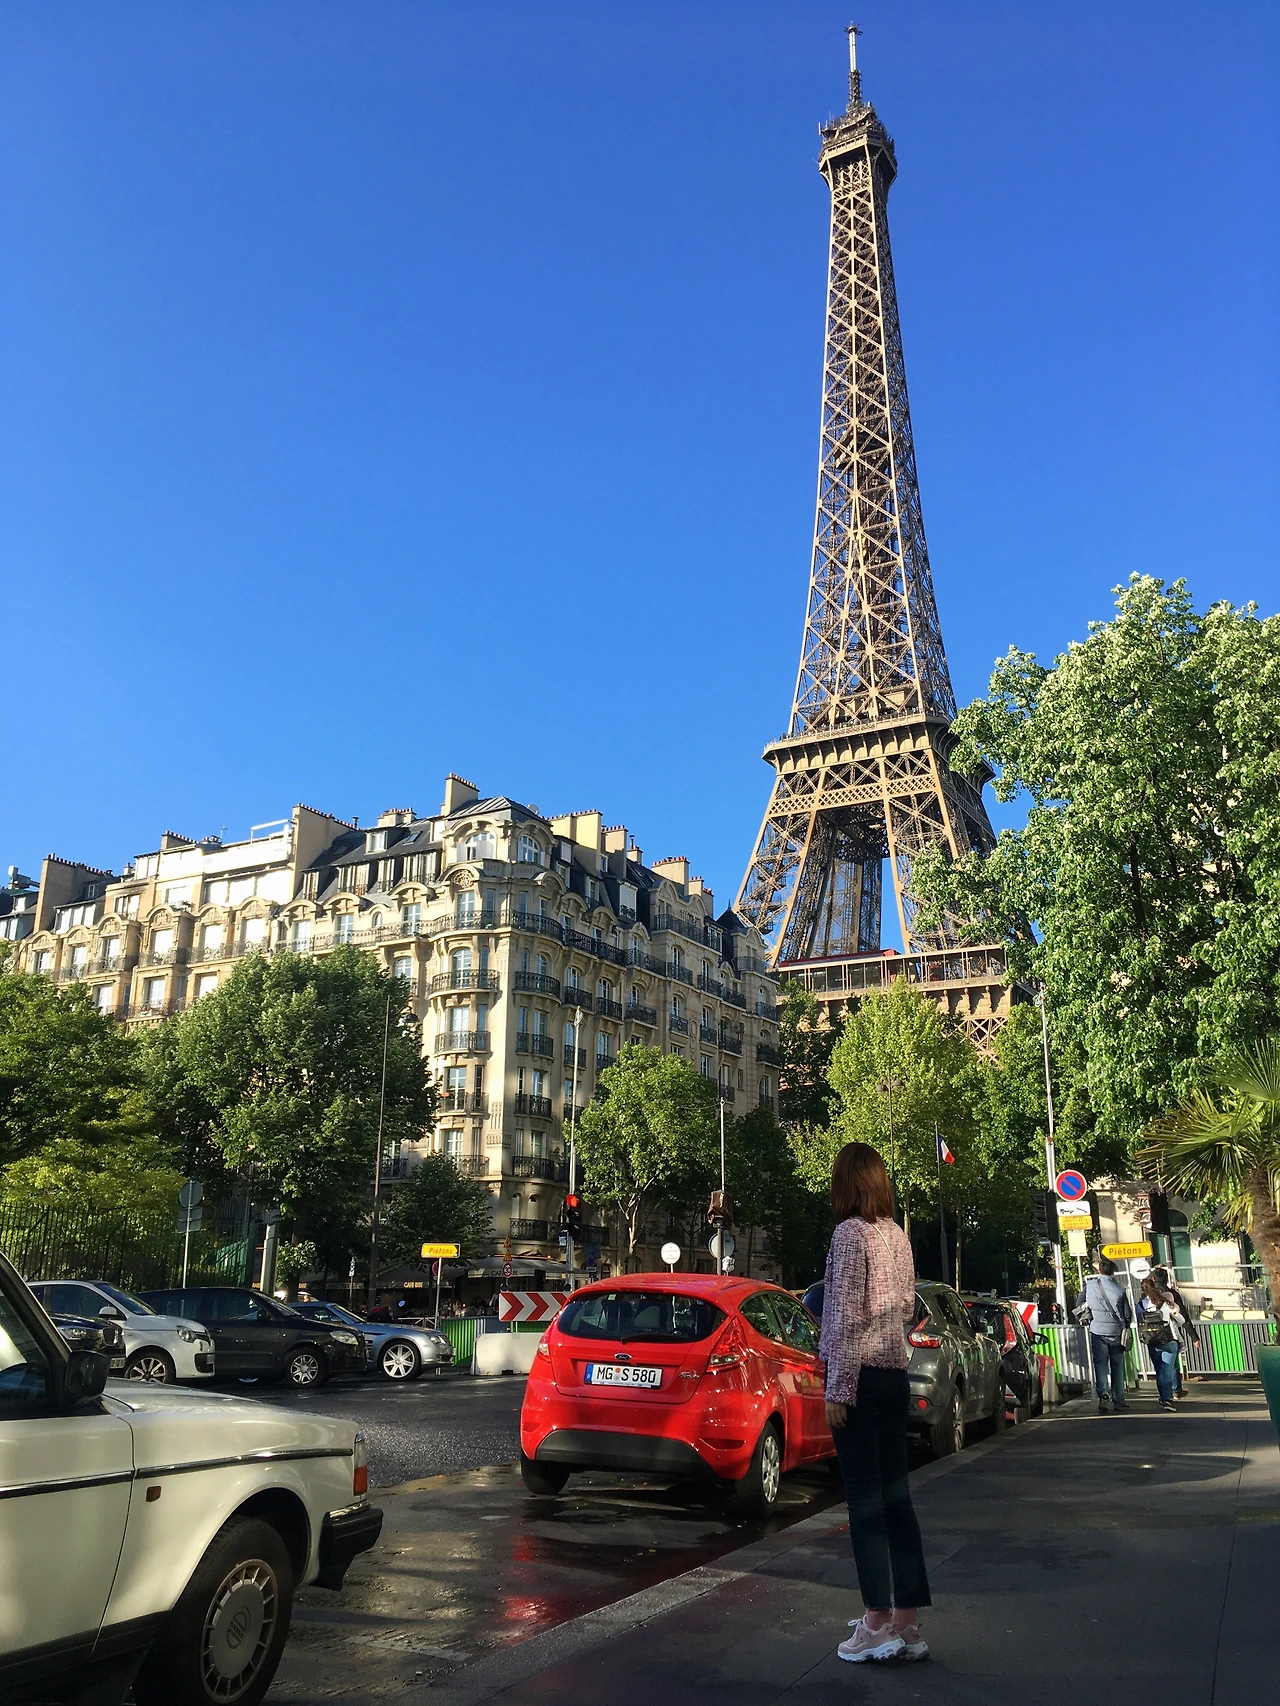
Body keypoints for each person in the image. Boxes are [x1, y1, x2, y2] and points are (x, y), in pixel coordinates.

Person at [819, 1141, 930, 1664]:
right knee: (896, 1500)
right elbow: (906, 1308)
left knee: (864, 1503)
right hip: (894, 1377)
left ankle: (875, 1623)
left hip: (859, 1378)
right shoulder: (897, 1236)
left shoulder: (849, 1235)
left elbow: (843, 1315)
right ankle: (907, 1623)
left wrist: (838, 1388)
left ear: (846, 1183)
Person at [1073, 1256, 1132, 1414]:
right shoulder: (1120, 1289)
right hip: (1116, 1333)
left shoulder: (1090, 1286)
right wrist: (1125, 1327)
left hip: (1097, 1331)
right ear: (1113, 1272)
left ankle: (1103, 1394)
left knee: (1100, 1365)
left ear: (1099, 1270)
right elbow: (1127, 1314)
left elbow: (1079, 1304)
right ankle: (1119, 1401)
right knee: (1117, 1367)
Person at [1152, 1265, 1201, 1395]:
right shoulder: (1172, 1295)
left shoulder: (1148, 1295)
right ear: (1166, 1280)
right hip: (1170, 1332)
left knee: (1159, 1364)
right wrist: (1194, 1337)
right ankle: (1176, 1389)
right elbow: (1183, 1316)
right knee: (1172, 1362)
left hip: (1152, 1333)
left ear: (1153, 1279)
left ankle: (1163, 1393)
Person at [1140, 1273, 1185, 1411]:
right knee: (1167, 1370)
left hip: (1151, 1340)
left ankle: (1163, 1397)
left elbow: (1139, 1321)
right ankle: (1166, 1399)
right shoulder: (1164, 1302)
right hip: (1168, 1339)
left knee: (1159, 1370)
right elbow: (1181, 1320)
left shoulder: (1141, 1305)